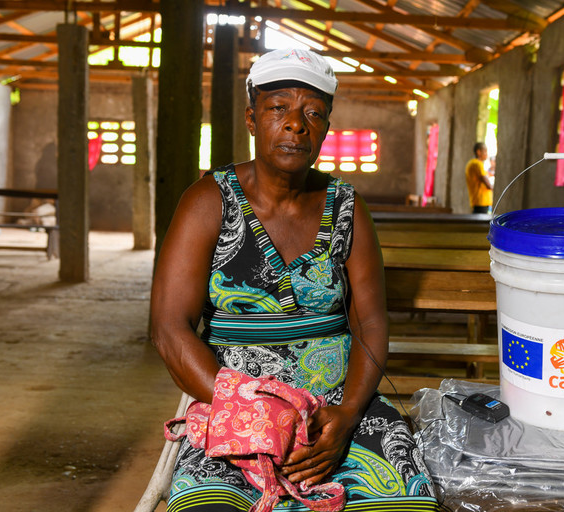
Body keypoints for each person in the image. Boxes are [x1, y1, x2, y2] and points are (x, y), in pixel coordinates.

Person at [150, 48, 439, 512]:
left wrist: (345, 415)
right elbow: (169, 329)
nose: (295, 124)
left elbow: (370, 323)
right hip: (235, 403)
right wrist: (256, 412)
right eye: (278, 108)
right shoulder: (208, 202)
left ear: (325, 127)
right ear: (252, 118)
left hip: (335, 408)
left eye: (312, 114)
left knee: (404, 502)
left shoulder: (346, 208)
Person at [465, 142, 494, 214]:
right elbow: (488, 184)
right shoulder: (477, 164)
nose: (487, 154)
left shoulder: (472, 163)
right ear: (478, 152)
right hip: (481, 202)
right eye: (485, 151)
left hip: (478, 202)